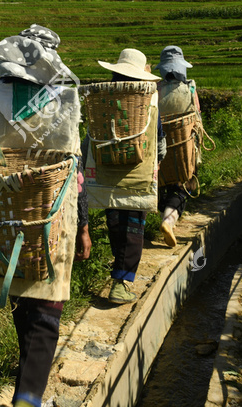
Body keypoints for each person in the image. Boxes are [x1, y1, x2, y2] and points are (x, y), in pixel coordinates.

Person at [0, 24, 90, 407]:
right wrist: (83, 226)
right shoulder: (63, 99)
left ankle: (27, 381)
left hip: (2, 208)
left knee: (19, 284)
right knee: (49, 300)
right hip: (49, 210)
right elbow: (75, 170)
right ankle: (29, 397)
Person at [83, 49, 165, 304]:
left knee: (116, 223)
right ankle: (121, 283)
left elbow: (90, 138)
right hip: (136, 175)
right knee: (134, 228)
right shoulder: (149, 101)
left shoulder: (101, 100)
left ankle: (119, 274)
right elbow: (159, 142)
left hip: (107, 173)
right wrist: (156, 163)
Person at [155, 46, 203, 248]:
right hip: (183, 148)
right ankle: (169, 220)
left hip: (159, 148)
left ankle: (164, 213)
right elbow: (197, 118)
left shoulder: (155, 90)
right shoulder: (190, 88)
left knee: (162, 185)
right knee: (184, 185)